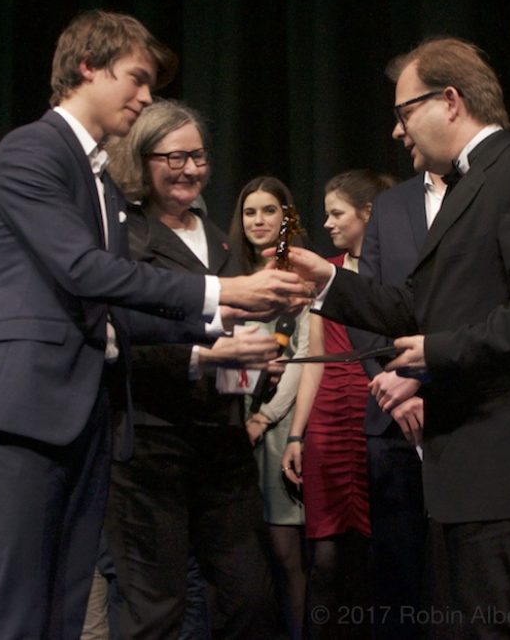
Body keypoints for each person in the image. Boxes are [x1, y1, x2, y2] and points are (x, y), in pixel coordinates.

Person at [0, 11, 306, 639]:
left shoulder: (103, 184)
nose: (146, 98)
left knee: (64, 603)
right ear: (89, 67)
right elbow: (83, 271)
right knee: (18, 608)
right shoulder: (32, 150)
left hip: (88, 414)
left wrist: (220, 317)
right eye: (138, 79)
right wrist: (220, 288)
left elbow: (117, 307)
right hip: (26, 408)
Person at [276, 38, 510, 639]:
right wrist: (328, 284)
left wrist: (439, 352)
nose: (397, 133)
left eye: (403, 113)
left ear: (451, 100)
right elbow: (418, 307)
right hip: (472, 468)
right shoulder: (464, 187)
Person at [102, 99, 284, 638]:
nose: (189, 169)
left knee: (250, 595)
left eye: (199, 156)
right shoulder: (126, 240)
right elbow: (117, 338)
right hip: (152, 445)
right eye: (174, 157)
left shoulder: (222, 239)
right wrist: (204, 357)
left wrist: (258, 360)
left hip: (222, 441)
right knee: (155, 607)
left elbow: (236, 325)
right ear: (143, 159)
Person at [282, 169, 394, 638]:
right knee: (325, 557)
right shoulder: (323, 271)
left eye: (336, 212)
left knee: (378, 556)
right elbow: (314, 360)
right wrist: (295, 433)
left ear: (367, 213)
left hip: (378, 416)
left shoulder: (393, 274)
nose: (326, 222)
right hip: (329, 422)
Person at [342, 168, 442, 639]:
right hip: (388, 420)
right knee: (396, 568)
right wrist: (391, 384)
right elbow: (365, 309)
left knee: (455, 566)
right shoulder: (392, 207)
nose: (400, 131)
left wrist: (421, 381)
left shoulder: (484, 198)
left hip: (457, 411)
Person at [229, 175, 311, 639]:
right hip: (234, 423)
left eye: (269, 211)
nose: (258, 220)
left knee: (286, 554)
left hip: (276, 427)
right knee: (244, 556)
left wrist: (266, 417)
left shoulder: (301, 276)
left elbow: (303, 357)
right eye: (249, 212)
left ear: (287, 217)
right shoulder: (232, 275)